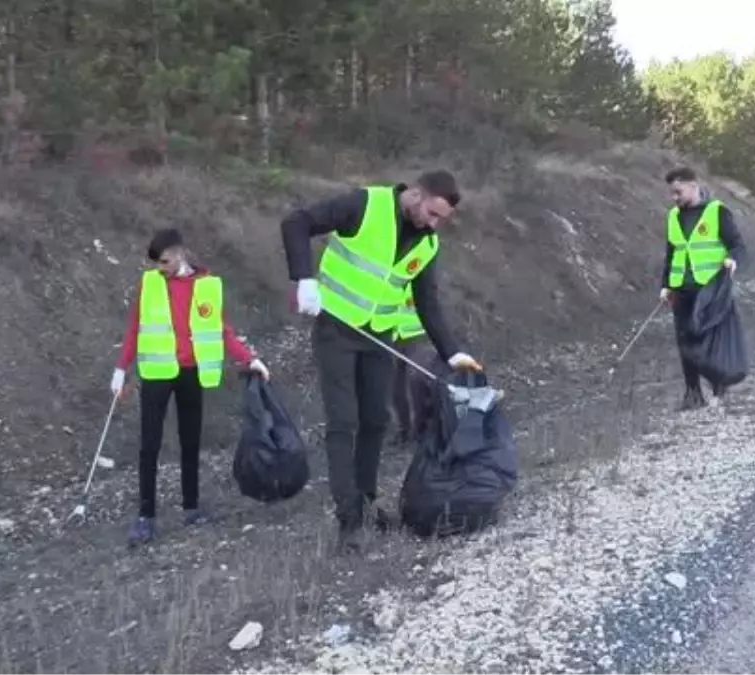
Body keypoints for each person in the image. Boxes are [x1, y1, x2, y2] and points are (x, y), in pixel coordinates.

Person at [280, 170, 481, 552]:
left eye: (441, 219)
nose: (434, 224)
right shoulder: (364, 204)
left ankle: (367, 501)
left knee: (376, 420)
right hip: (336, 330)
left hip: (379, 338)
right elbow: (297, 222)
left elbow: (427, 304)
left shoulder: (427, 244)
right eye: (433, 214)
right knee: (344, 422)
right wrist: (303, 279)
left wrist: (452, 352)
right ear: (417, 194)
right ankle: (348, 522)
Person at [112, 228, 270, 547]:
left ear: (181, 253)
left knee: (190, 441)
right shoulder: (150, 284)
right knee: (149, 445)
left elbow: (223, 331)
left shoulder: (208, 286)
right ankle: (146, 517)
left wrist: (249, 359)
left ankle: (191, 507)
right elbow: (134, 328)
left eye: (166, 261)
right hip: (157, 373)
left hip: (191, 372)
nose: (161, 267)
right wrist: (120, 368)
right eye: (157, 262)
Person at [659, 166, 746, 411]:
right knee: (684, 340)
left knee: (708, 338)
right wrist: (665, 286)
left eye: (678, 192)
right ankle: (693, 393)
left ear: (694, 185)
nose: (675, 198)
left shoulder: (717, 212)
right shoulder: (673, 216)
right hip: (681, 289)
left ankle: (719, 386)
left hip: (710, 289)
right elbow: (671, 254)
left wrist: (732, 259)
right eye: (672, 193)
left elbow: (738, 245)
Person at [391, 284, 429, 446]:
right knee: (394, 385)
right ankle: (403, 429)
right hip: (390, 334)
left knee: (417, 381)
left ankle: (423, 429)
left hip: (415, 334)